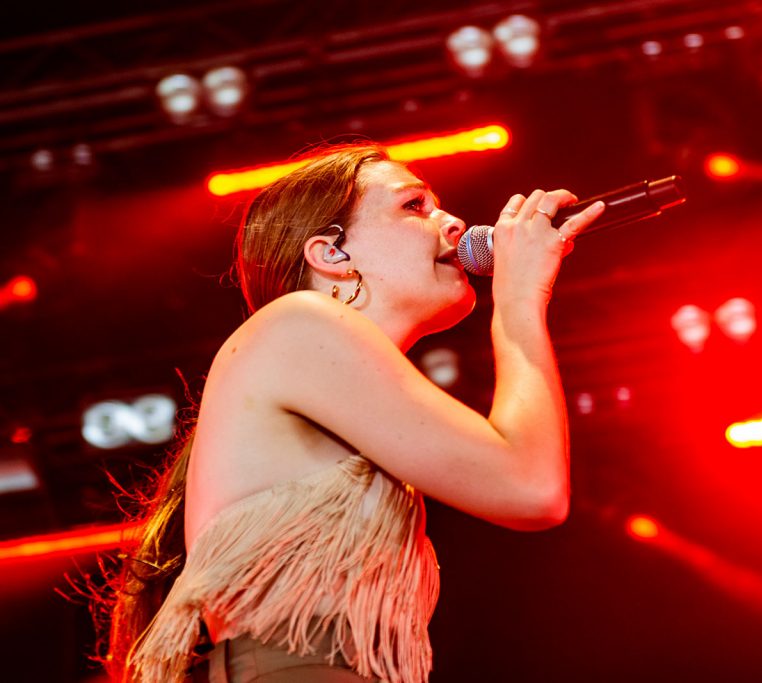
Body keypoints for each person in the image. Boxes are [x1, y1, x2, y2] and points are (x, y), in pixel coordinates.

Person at [93, 142, 605, 683]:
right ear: (331, 254)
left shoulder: (338, 375)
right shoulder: (300, 322)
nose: (453, 222)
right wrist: (521, 297)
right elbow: (530, 488)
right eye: (415, 206)